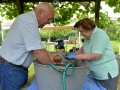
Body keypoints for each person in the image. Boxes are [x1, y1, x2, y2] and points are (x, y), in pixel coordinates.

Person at [0, 2, 59, 90]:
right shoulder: (29, 21)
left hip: (12, 69)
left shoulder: (29, 20)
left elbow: (37, 47)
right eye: (49, 19)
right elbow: (37, 52)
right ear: (40, 13)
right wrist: (54, 69)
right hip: (12, 71)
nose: (49, 22)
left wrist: (49, 55)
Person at [65, 18, 119, 90]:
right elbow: (82, 50)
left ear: (88, 28)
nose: (81, 34)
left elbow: (96, 55)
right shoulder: (88, 37)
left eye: (82, 31)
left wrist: (76, 57)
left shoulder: (99, 35)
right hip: (96, 72)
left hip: (106, 73)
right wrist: (72, 54)